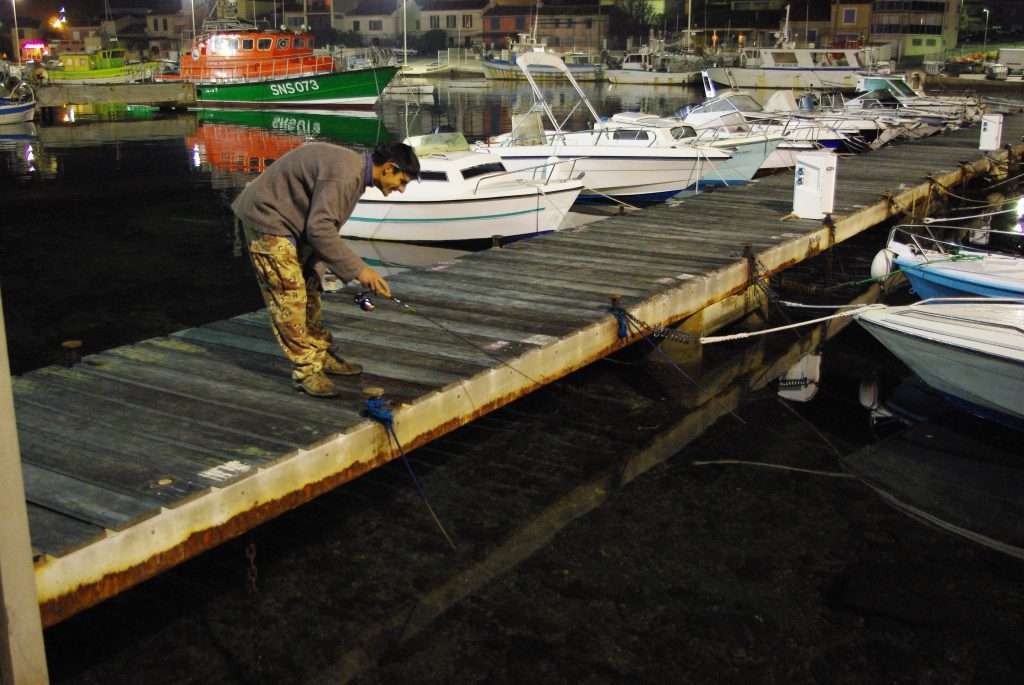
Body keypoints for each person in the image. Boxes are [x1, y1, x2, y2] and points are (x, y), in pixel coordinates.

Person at [231, 141, 420, 398]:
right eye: (402, 181)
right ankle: (306, 371)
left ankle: (320, 354)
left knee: (311, 289)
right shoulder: (346, 175)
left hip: (294, 224)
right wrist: (361, 270)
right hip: (267, 219)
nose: (401, 189)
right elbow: (319, 230)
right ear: (388, 168)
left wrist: (316, 270)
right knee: (290, 298)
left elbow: (324, 227)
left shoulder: (354, 173)